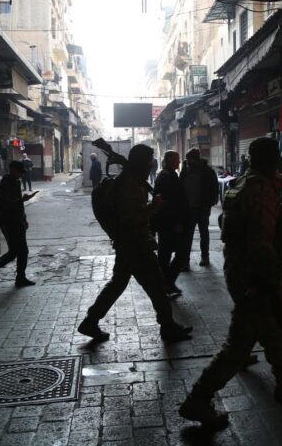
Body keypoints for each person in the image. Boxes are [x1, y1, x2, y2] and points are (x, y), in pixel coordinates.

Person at [179, 138, 282, 429]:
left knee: (274, 324)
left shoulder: (241, 183)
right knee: (239, 343)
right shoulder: (260, 189)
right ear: (270, 160)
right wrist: (273, 280)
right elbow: (260, 243)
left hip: (240, 267)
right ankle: (198, 398)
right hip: (254, 274)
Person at [77, 144, 192, 343]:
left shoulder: (130, 180)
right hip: (135, 244)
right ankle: (168, 326)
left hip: (129, 243)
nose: (150, 165)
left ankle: (91, 321)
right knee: (157, 285)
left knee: (118, 284)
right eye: (148, 161)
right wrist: (153, 207)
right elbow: (131, 217)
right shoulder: (129, 185)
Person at [0, 160, 38, 287]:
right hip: (8, 222)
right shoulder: (6, 183)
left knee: (23, 251)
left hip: (18, 221)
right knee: (14, 251)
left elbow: (18, 205)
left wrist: (23, 218)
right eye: (20, 172)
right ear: (13, 170)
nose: (22, 175)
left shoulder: (16, 182)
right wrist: (22, 199)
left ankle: (20, 278)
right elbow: (5, 205)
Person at [153, 151, 187, 296]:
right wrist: (178, 221)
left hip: (166, 222)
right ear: (170, 161)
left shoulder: (167, 175)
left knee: (165, 254)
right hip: (169, 222)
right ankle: (167, 283)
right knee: (178, 254)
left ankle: (166, 284)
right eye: (177, 160)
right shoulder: (167, 177)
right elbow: (173, 202)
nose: (179, 162)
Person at [180, 148, 219, 268]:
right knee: (188, 235)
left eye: (189, 159)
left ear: (195, 159)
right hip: (189, 209)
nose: (187, 161)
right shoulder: (185, 170)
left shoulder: (208, 171)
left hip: (202, 208)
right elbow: (180, 186)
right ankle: (185, 261)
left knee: (204, 233)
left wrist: (210, 202)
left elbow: (214, 189)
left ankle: (205, 257)